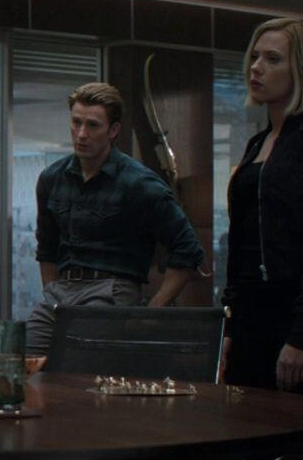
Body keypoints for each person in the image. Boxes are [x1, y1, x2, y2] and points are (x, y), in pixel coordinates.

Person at [223, 18, 303, 403]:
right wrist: (230, 324)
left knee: (297, 432)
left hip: (300, 315)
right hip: (253, 314)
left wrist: (302, 336)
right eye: (254, 57)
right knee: (242, 428)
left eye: (272, 59)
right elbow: (241, 241)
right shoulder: (258, 142)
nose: (256, 68)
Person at [27, 82, 206, 355]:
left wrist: (153, 310)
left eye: (93, 125)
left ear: (113, 130)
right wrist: (51, 290)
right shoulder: (52, 179)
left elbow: (188, 249)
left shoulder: (139, 184)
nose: (82, 134)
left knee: (78, 364)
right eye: (76, 123)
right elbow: (47, 248)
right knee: (21, 362)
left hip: (110, 290)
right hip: (61, 291)